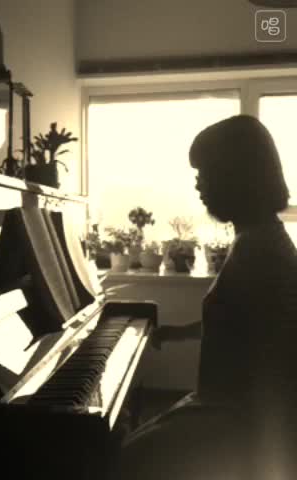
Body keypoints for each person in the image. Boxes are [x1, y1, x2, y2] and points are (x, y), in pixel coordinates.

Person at [118, 115, 297, 480]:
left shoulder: (260, 251)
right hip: (225, 408)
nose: (198, 183)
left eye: (206, 172)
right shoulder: (256, 238)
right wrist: (178, 333)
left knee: (120, 460)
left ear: (236, 176)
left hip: (239, 421)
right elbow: (238, 322)